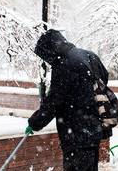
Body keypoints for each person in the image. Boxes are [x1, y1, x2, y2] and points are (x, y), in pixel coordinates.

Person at [25, 29, 112, 171]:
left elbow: (53, 102)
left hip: (75, 132)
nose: (47, 61)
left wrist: (35, 122)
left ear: (50, 49)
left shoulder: (63, 65)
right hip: (94, 128)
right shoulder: (90, 55)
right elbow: (104, 78)